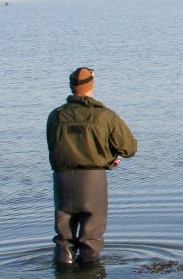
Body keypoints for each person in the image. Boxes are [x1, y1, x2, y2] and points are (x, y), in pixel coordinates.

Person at [46, 67, 137, 265]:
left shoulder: (56, 115)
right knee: (90, 239)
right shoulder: (105, 115)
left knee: (64, 240)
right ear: (91, 86)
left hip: (62, 180)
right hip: (92, 181)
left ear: (72, 86)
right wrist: (109, 157)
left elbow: (54, 146)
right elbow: (129, 148)